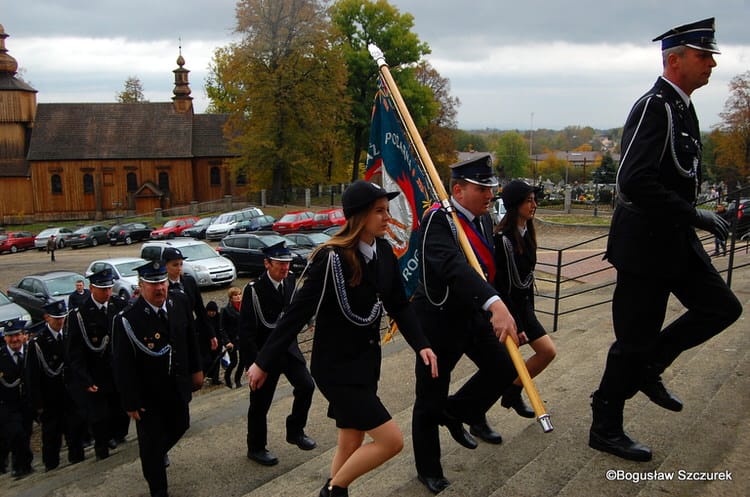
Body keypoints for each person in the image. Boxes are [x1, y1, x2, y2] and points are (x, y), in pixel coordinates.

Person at [591, 18, 743, 462]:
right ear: (675, 60)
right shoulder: (654, 106)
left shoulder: (683, 106)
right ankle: (606, 425)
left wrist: (688, 216)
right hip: (644, 245)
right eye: (703, 55)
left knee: (721, 308)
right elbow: (632, 180)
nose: (712, 63)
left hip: (673, 239)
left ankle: (649, 367)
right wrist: (694, 213)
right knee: (632, 340)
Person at [247, 180, 438, 497]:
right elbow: (296, 313)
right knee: (391, 441)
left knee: (351, 441)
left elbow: (399, 306)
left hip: (365, 365)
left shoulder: (385, 253)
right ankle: (334, 490)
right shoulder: (331, 259)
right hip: (336, 369)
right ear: (359, 216)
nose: (387, 218)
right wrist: (263, 362)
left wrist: (422, 344)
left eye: (387, 211)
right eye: (379, 211)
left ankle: (335, 490)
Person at [411, 154, 519, 494]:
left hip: (474, 318)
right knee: (430, 397)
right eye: (481, 187)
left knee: (504, 369)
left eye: (491, 187)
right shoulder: (437, 220)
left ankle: (456, 412)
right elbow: (453, 267)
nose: (490, 194)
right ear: (458, 190)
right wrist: (494, 304)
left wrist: (505, 312)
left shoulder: (483, 220)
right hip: (438, 324)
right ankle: (429, 470)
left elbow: (487, 273)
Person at [112, 260, 204, 497]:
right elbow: (123, 364)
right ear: (141, 286)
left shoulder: (179, 302)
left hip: (177, 386)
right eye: (153, 284)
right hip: (148, 395)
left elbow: (189, 338)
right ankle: (158, 488)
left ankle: (152, 457)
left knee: (181, 424)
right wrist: (129, 401)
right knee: (151, 443)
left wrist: (197, 369)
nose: (160, 288)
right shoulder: (128, 319)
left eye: (162, 282)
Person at [240, 242, 316, 466]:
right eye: (280, 264)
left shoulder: (290, 280)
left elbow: (295, 309)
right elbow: (245, 331)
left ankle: (295, 430)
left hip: (288, 349)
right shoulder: (254, 290)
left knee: (307, 386)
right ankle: (256, 447)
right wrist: (251, 364)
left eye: (287, 264)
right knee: (260, 404)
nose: (285, 268)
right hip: (264, 354)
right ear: (267, 263)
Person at [493, 180, 556, 418]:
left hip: (524, 307)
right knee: (500, 367)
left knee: (547, 352)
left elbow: (525, 281)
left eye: (534, 200)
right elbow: (503, 287)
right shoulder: (503, 240)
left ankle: (514, 390)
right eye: (529, 201)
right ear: (515, 205)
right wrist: (517, 324)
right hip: (508, 310)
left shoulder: (527, 234)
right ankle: (482, 408)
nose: (534, 205)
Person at [66, 268, 130, 461]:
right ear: (92, 288)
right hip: (96, 373)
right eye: (103, 289)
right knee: (99, 417)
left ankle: (116, 436)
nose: (108, 293)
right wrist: (85, 379)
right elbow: (74, 352)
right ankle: (102, 449)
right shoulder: (80, 315)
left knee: (120, 410)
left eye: (110, 288)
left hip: (117, 370)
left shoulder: (119, 305)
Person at [25, 300, 86, 471]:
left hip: (70, 394)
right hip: (50, 397)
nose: (60, 322)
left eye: (62, 318)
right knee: (52, 435)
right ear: (47, 318)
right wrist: (37, 404)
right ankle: (51, 466)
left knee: (74, 429)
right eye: (56, 319)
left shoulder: (68, 334)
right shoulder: (38, 343)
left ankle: (77, 458)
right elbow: (33, 376)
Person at [163, 247, 219, 378]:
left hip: (192, 331)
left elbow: (200, 309)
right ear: (165, 266)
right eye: (175, 265)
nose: (179, 268)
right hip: (173, 333)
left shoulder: (189, 282)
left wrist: (211, 334)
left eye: (181, 264)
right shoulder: (163, 287)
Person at [0, 319, 34, 478]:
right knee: (15, 433)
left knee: (26, 432)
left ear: (24, 336)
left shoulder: (31, 351)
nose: (14, 340)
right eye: (10, 336)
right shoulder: (1, 356)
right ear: (5, 338)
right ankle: (16, 465)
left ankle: (25, 464)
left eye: (17, 335)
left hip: (27, 401)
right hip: (7, 404)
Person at [220, 287, 244, 389]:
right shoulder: (225, 310)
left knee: (243, 361)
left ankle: (237, 379)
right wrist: (227, 341)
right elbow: (222, 328)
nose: (238, 297)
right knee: (234, 361)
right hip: (232, 339)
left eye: (239, 294)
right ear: (231, 298)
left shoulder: (245, 307)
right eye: (235, 295)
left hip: (243, 338)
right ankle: (227, 378)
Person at [204, 301, 223, 386]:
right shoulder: (203, 319)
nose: (211, 313)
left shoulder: (220, 318)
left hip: (218, 343)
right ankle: (207, 375)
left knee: (217, 361)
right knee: (207, 361)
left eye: (213, 311)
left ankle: (215, 379)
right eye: (210, 311)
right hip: (206, 345)